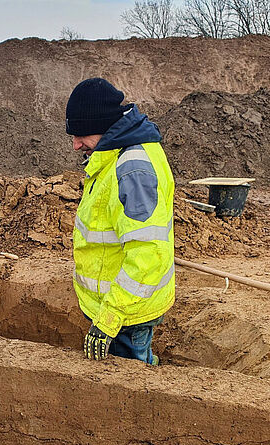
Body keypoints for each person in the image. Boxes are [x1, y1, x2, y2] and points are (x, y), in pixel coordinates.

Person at [65, 78, 175, 365]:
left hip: (126, 314)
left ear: (104, 128)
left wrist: (109, 318)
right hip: (121, 308)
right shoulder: (114, 155)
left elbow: (147, 255)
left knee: (129, 389)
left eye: (82, 135)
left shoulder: (132, 170)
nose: (76, 145)